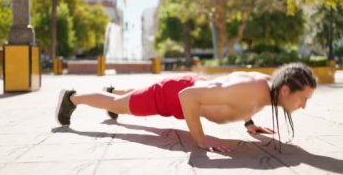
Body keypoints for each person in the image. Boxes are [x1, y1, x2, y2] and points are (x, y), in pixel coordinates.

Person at [56, 62, 317, 153]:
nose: (303, 106)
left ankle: (113, 93)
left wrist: (249, 124)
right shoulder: (252, 89)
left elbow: (240, 101)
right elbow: (187, 96)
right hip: (175, 96)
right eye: (302, 98)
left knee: (125, 99)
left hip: (193, 89)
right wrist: (200, 139)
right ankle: (72, 98)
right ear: (285, 90)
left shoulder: (269, 88)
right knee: (119, 106)